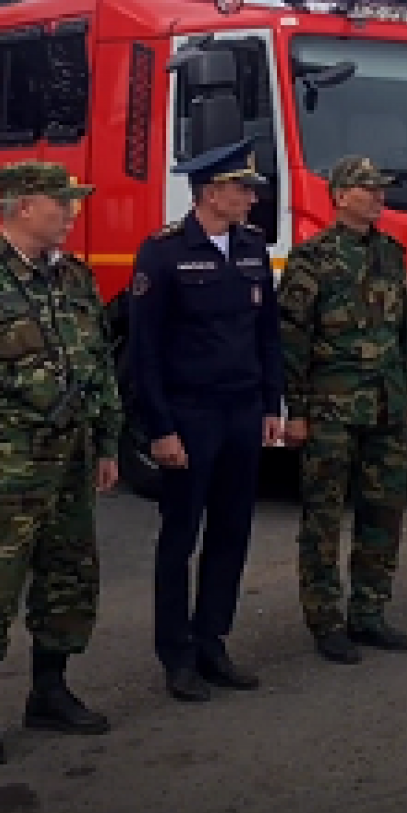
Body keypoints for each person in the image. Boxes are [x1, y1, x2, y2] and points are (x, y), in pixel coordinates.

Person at [129, 138, 283, 702]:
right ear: (212, 192)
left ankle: (212, 641)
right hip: (190, 415)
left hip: (243, 411)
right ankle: (176, 655)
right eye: (243, 188)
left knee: (232, 530)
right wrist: (160, 429)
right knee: (180, 536)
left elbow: (267, 333)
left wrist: (272, 405)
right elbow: (143, 352)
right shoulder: (163, 253)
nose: (251, 197)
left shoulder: (251, 248)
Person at [0, 163, 121, 765]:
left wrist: (108, 442)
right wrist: (31, 387)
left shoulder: (75, 278)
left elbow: (99, 360)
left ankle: (50, 690)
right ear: (23, 206)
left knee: (68, 577)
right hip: (10, 464)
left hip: (71, 458)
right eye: (61, 203)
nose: (72, 213)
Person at [278, 156, 407, 662]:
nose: (379, 196)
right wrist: (296, 411)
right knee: (323, 516)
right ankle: (325, 619)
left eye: (381, 187)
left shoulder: (392, 253)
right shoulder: (311, 259)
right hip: (332, 409)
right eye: (369, 188)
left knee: (383, 512)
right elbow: (292, 341)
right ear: (340, 196)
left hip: (386, 406)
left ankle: (370, 612)